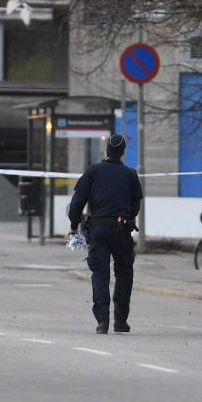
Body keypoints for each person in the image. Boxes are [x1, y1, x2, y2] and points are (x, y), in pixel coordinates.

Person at [65, 134, 143, 334]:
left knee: (100, 274)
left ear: (106, 151)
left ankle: (102, 321)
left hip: (98, 230)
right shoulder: (130, 174)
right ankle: (120, 320)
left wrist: (73, 226)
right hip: (122, 231)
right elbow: (136, 206)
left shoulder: (93, 172)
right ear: (123, 152)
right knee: (124, 274)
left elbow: (77, 202)